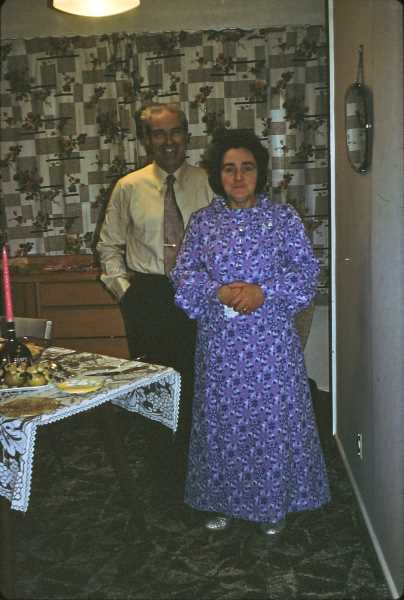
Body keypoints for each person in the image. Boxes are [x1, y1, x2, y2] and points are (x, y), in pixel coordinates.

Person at [170, 129, 330, 533]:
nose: (238, 177)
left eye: (247, 168)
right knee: (223, 422)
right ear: (217, 174)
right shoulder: (203, 222)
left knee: (269, 421)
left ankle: (272, 505)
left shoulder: (283, 219)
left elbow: (306, 273)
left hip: (270, 342)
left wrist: (264, 291)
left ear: (260, 173)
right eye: (229, 169)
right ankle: (223, 502)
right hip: (220, 344)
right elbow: (184, 275)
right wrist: (218, 290)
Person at [96, 103, 213, 496]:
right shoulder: (128, 187)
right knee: (155, 387)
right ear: (146, 139)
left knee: (199, 385)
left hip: (199, 293)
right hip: (148, 296)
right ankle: (162, 475)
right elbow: (108, 246)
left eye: (175, 131)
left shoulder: (209, 182)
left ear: (187, 135)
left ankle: (199, 473)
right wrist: (125, 293)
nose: (168, 141)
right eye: (158, 133)